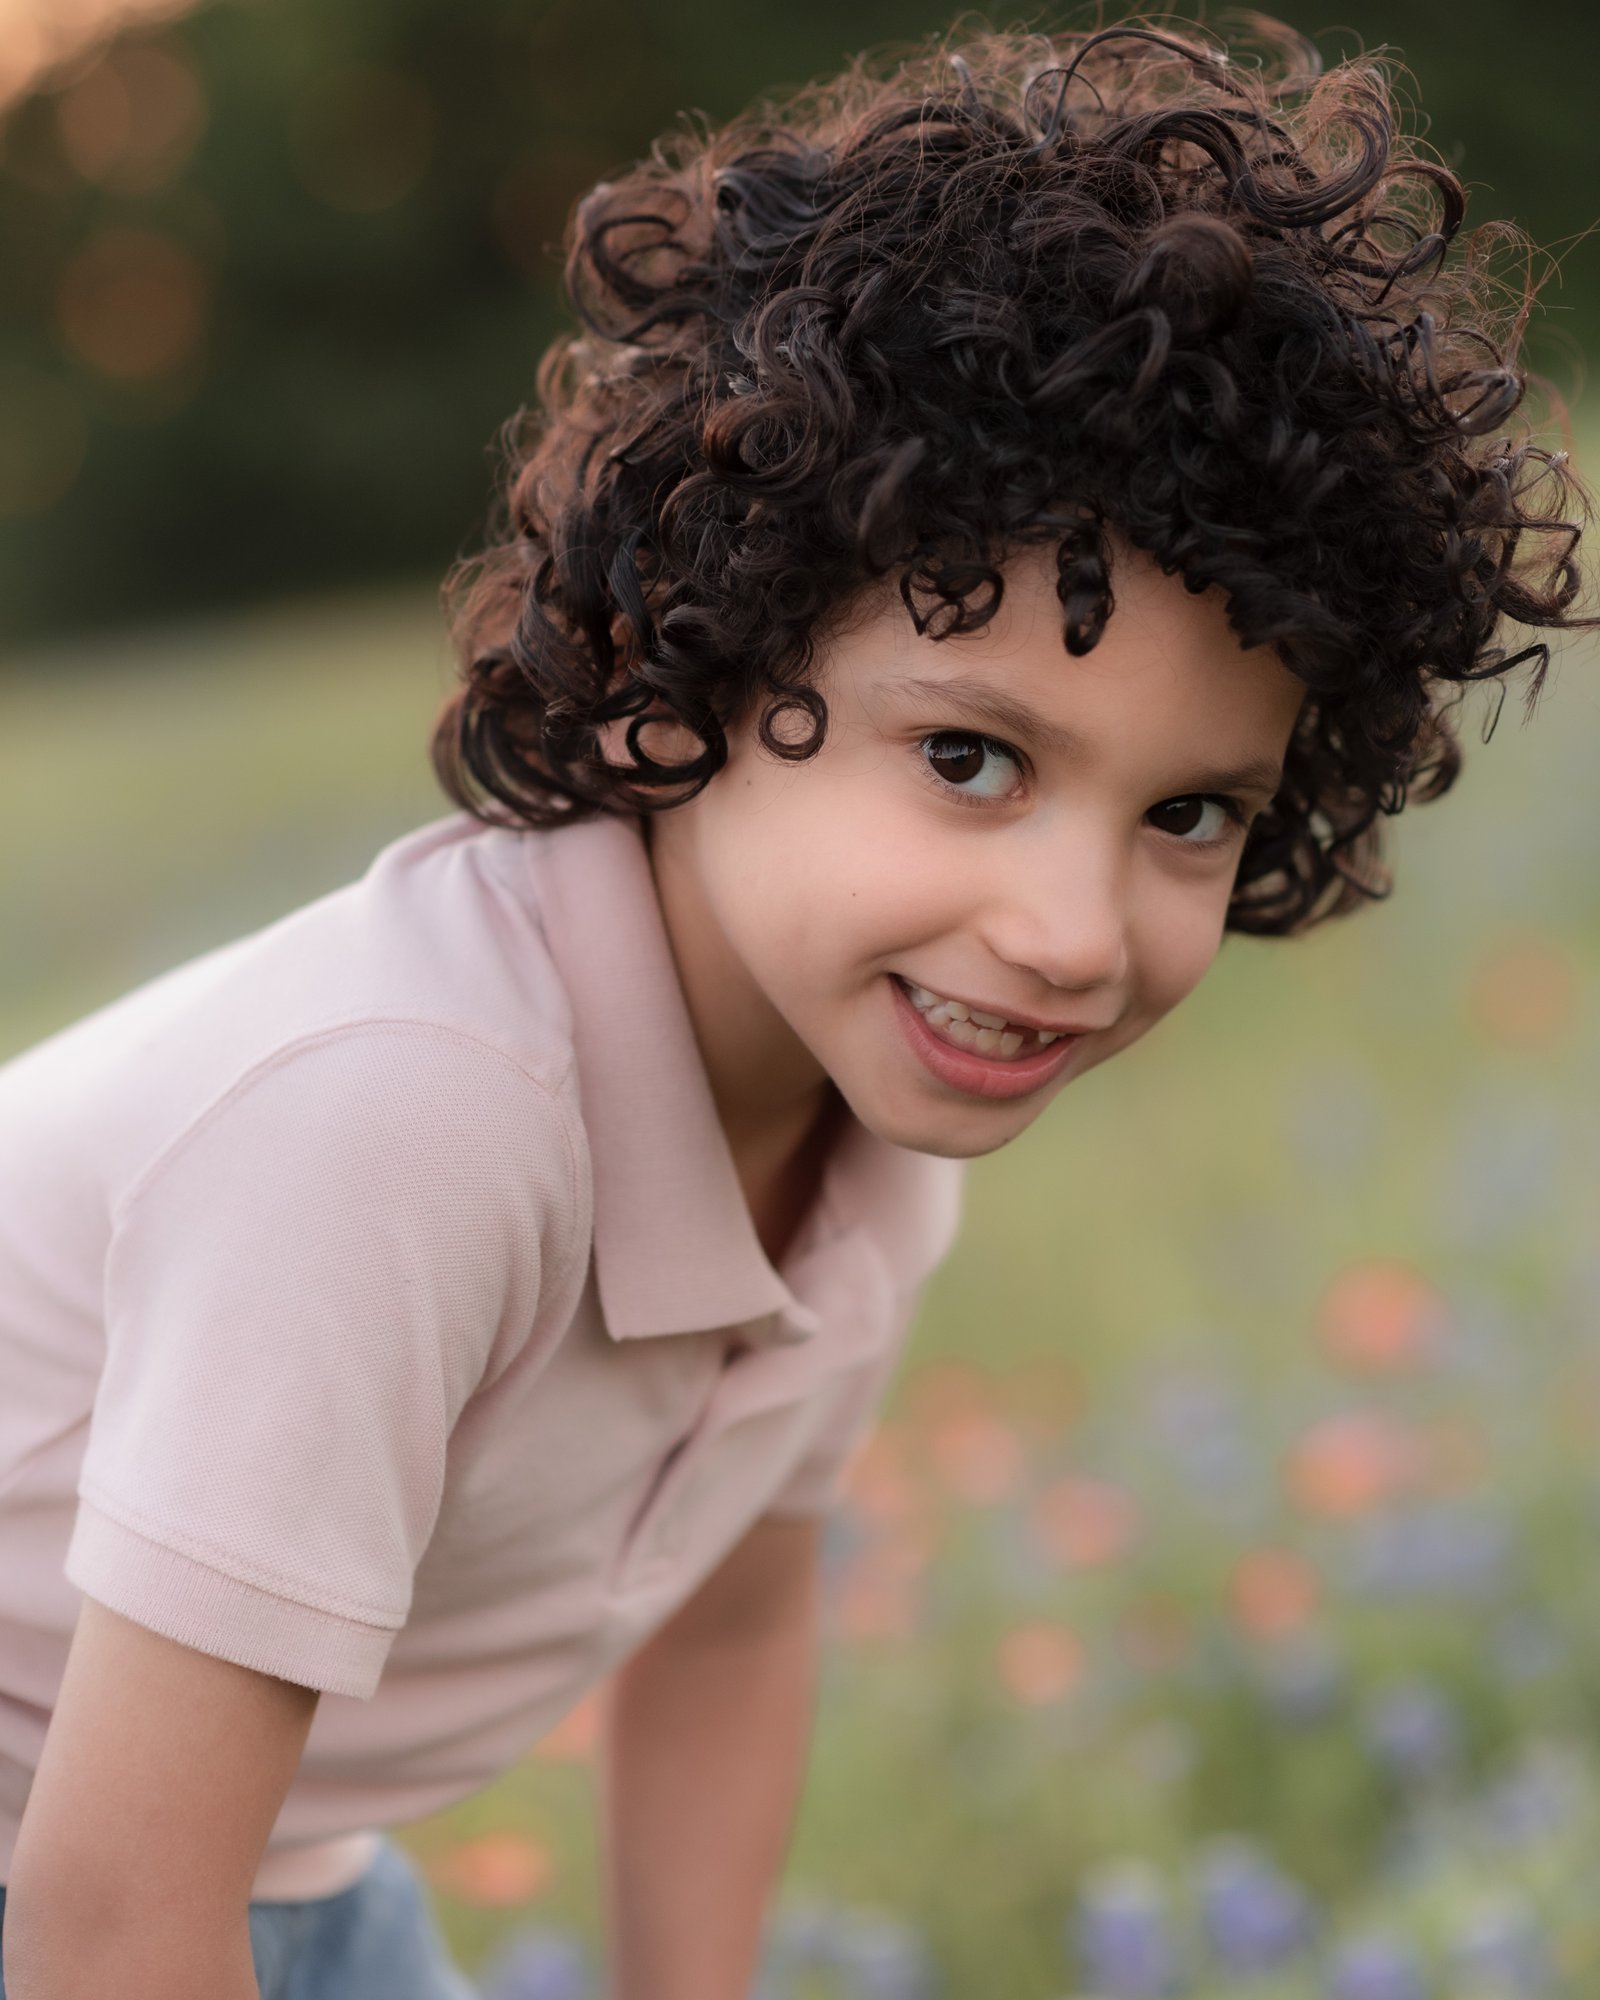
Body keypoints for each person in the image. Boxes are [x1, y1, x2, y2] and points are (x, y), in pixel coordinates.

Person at [0, 13, 1589, 2000]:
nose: (1069, 932)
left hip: (273, 1872)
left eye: (1187, 811)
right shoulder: (404, 1116)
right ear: (694, 667)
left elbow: (730, 1626)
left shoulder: (861, 1143)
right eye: (970, 760)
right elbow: (105, 1926)